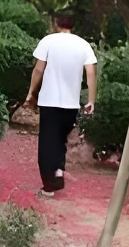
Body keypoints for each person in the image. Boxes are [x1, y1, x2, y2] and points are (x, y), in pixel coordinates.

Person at [25, 11, 97, 196]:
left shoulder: (48, 41)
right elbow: (91, 73)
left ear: (56, 23)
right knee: (60, 140)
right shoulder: (84, 45)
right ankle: (58, 170)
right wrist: (91, 100)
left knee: (47, 143)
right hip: (71, 105)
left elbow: (38, 70)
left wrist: (31, 92)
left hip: (49, 101)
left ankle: (49, 185)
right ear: (73, 25)